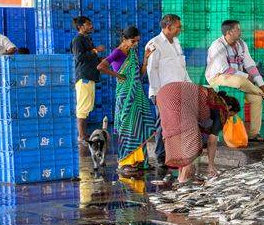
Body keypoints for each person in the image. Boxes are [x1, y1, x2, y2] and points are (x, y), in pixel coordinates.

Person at [96, 27, 156, 177]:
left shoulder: (133, 53)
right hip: (124, 95)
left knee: (139, 126)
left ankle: (140, 160)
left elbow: (139, 76)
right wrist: (118, 75)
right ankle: (125, 162)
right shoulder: (117, 52)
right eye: (133, 41)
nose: (135, 44)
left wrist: (146, 59)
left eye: (137, 41)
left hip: (137, 94)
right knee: (127, 127)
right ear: (125, 39)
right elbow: (100, 66)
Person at [205, 19, 264, 142]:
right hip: (218, 77)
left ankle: (254, 134)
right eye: (237, 29)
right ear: (228, 33)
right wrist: (245, 76)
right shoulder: (217, 46)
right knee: (240, 81)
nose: (240, 31)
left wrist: (262, 83)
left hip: (238, 78)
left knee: (256, 99)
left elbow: (250, 66)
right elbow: (224, 69)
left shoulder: (242, 45)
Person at [155, 82, 240, 184]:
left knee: (176, 132)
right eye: (231, 115)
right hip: (176, 96)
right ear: (229, 107)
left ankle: (181, 175)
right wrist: (211, 165)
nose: (228, 118)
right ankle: (183, 180)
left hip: (163, 93)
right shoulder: (222, 108)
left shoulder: (211, 98)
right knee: (192, 138)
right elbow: (212, 141)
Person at [145, 14, 192, 184]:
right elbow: (152, 71)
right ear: (168, 26)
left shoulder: (176, 43)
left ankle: (175, 154)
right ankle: (160, 155)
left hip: (179, 89)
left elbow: (182, 66)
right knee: (162, 123)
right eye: (178, 26)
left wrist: (189, 84)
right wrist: (157, 94)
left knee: (176, 123)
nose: (180, 29)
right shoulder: (154, 44)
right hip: (162, 91)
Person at [71, 16, 107, 143]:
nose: (91, 26)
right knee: (82, 107)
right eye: (88, 24)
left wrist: (101, 60)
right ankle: (81, 136)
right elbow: (79, 57)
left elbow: (90, 57)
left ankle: (84, 134)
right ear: (81, 27)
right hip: (84, 77)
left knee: (87, 107)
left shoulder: (87, 39)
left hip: (90, 76)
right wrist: (95, 50)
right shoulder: (78, 40)